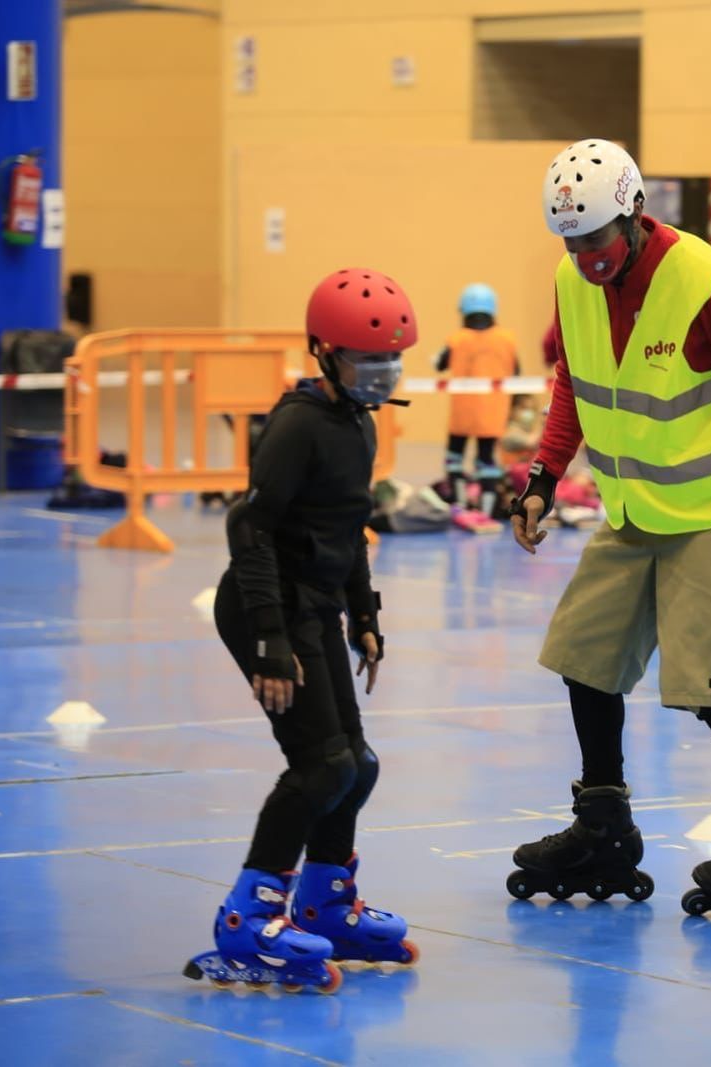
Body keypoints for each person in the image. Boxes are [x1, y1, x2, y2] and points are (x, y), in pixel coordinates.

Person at [504, 138, 711, 918]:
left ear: (635, 215)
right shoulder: (572, 279)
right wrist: (543, 479)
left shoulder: (705, 283)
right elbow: (574, 381)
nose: (586, 258)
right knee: (584, 655)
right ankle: (603, 827)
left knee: (702, 676)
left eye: (597, 239)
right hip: (635, 508)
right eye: (571, 242)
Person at [184, 268, 419, 994]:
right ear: (324, 352)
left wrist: (366, 616)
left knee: (359, 763)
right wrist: (270, 641)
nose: (382, 374)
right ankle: (245, 923)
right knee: (323, 765)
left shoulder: (358, 419)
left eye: (392, 360)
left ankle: (325, 902)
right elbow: (248, 525)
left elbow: (347, 528)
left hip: (316, 604)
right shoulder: (298, 424)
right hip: (268, 606)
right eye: (367, 360)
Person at [434, 283, 519, 533]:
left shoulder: (457, 339)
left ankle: (460, 503)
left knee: (455, 459)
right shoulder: (507, 339)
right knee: (487, 460)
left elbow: (440, 364)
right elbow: (517, 373)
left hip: (462, 412)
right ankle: (486, 508)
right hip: (493, 413)